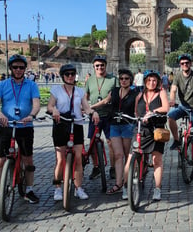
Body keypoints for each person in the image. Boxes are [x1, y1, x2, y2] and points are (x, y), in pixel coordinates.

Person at [0, 55, 41, 212]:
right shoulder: (2, 85)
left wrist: (31, 115)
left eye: (21, 67)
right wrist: (1, 115)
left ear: (25, 69)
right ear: (10, 68)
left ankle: (29, 190)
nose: (18, 70)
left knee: (28, 159)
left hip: (24, 126)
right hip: (7, 125)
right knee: (0, 161)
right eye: (15, 67)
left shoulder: (31, 85)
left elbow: (36, 104)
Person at [48, 64, 100, 201]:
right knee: (60, 159)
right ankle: (58, 187)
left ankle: (78, 187)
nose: (70, 76)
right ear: (62, 76)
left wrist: (93, 112)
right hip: (61, 124)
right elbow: (50, 105)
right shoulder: (56, 90)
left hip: (76, 124)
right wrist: (54, 110)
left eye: (72, 74)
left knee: (78, 158)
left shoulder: (80, 91)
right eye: (67, 74)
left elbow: (86, 107)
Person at [122, 70, 169, 201]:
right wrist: (138, 117)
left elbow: (166, 108)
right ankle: (126, 186)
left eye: (154, 80)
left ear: (158, 82)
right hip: (141, 129)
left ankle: (157, 189)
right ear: (145, 81)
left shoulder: (161, 93)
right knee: (130, 158)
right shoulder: (139, 95)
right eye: (149, 80)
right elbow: (136, 111)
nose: (152, 83)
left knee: (156, 160)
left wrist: (153, 112)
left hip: (156, 130)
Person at [97, 68, 138, 196]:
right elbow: (105, 101)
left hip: (127, 126)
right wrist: (88, 108)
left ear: (130, 80)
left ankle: (127, 184)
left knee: (127, 155)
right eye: (121, 78)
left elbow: (137, 110)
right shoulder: (114, 91)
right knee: (118, 155)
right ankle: (118, 183)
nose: (123, 81)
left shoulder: (135, 93)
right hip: (114, 125)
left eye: (126, 78)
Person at [85, 55, 118, 180]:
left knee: (111, 143)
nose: (100, 67)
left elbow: (109, 99)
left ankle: (113, 168)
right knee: (92, 143)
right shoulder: (90, 80)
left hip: (109, 115)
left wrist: (90, 107)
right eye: (97, 66)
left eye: (102, 65)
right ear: (94, 67)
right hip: (94, 116)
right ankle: (96, 167)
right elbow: (85, 96)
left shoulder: (113, 79)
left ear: (106, 66)